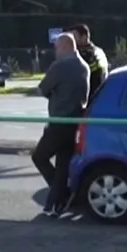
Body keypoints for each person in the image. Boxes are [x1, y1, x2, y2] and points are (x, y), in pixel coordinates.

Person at [32, 31, 90, 218]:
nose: (55, 51)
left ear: (65, 46)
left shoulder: (60, 66)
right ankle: (56, 203)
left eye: (57, 47)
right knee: (63, 164)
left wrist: (52, 94)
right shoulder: (84, 67)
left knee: (39, 156)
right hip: (76, 122)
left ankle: (62, 194)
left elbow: (41, 90)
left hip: (58, 121)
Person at [70, 24, 109, 100]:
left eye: (74, 37)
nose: (72, 40)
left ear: (84, 37)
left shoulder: (90, 55)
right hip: (100, 96)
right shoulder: (99, 51)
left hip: (91, 98)